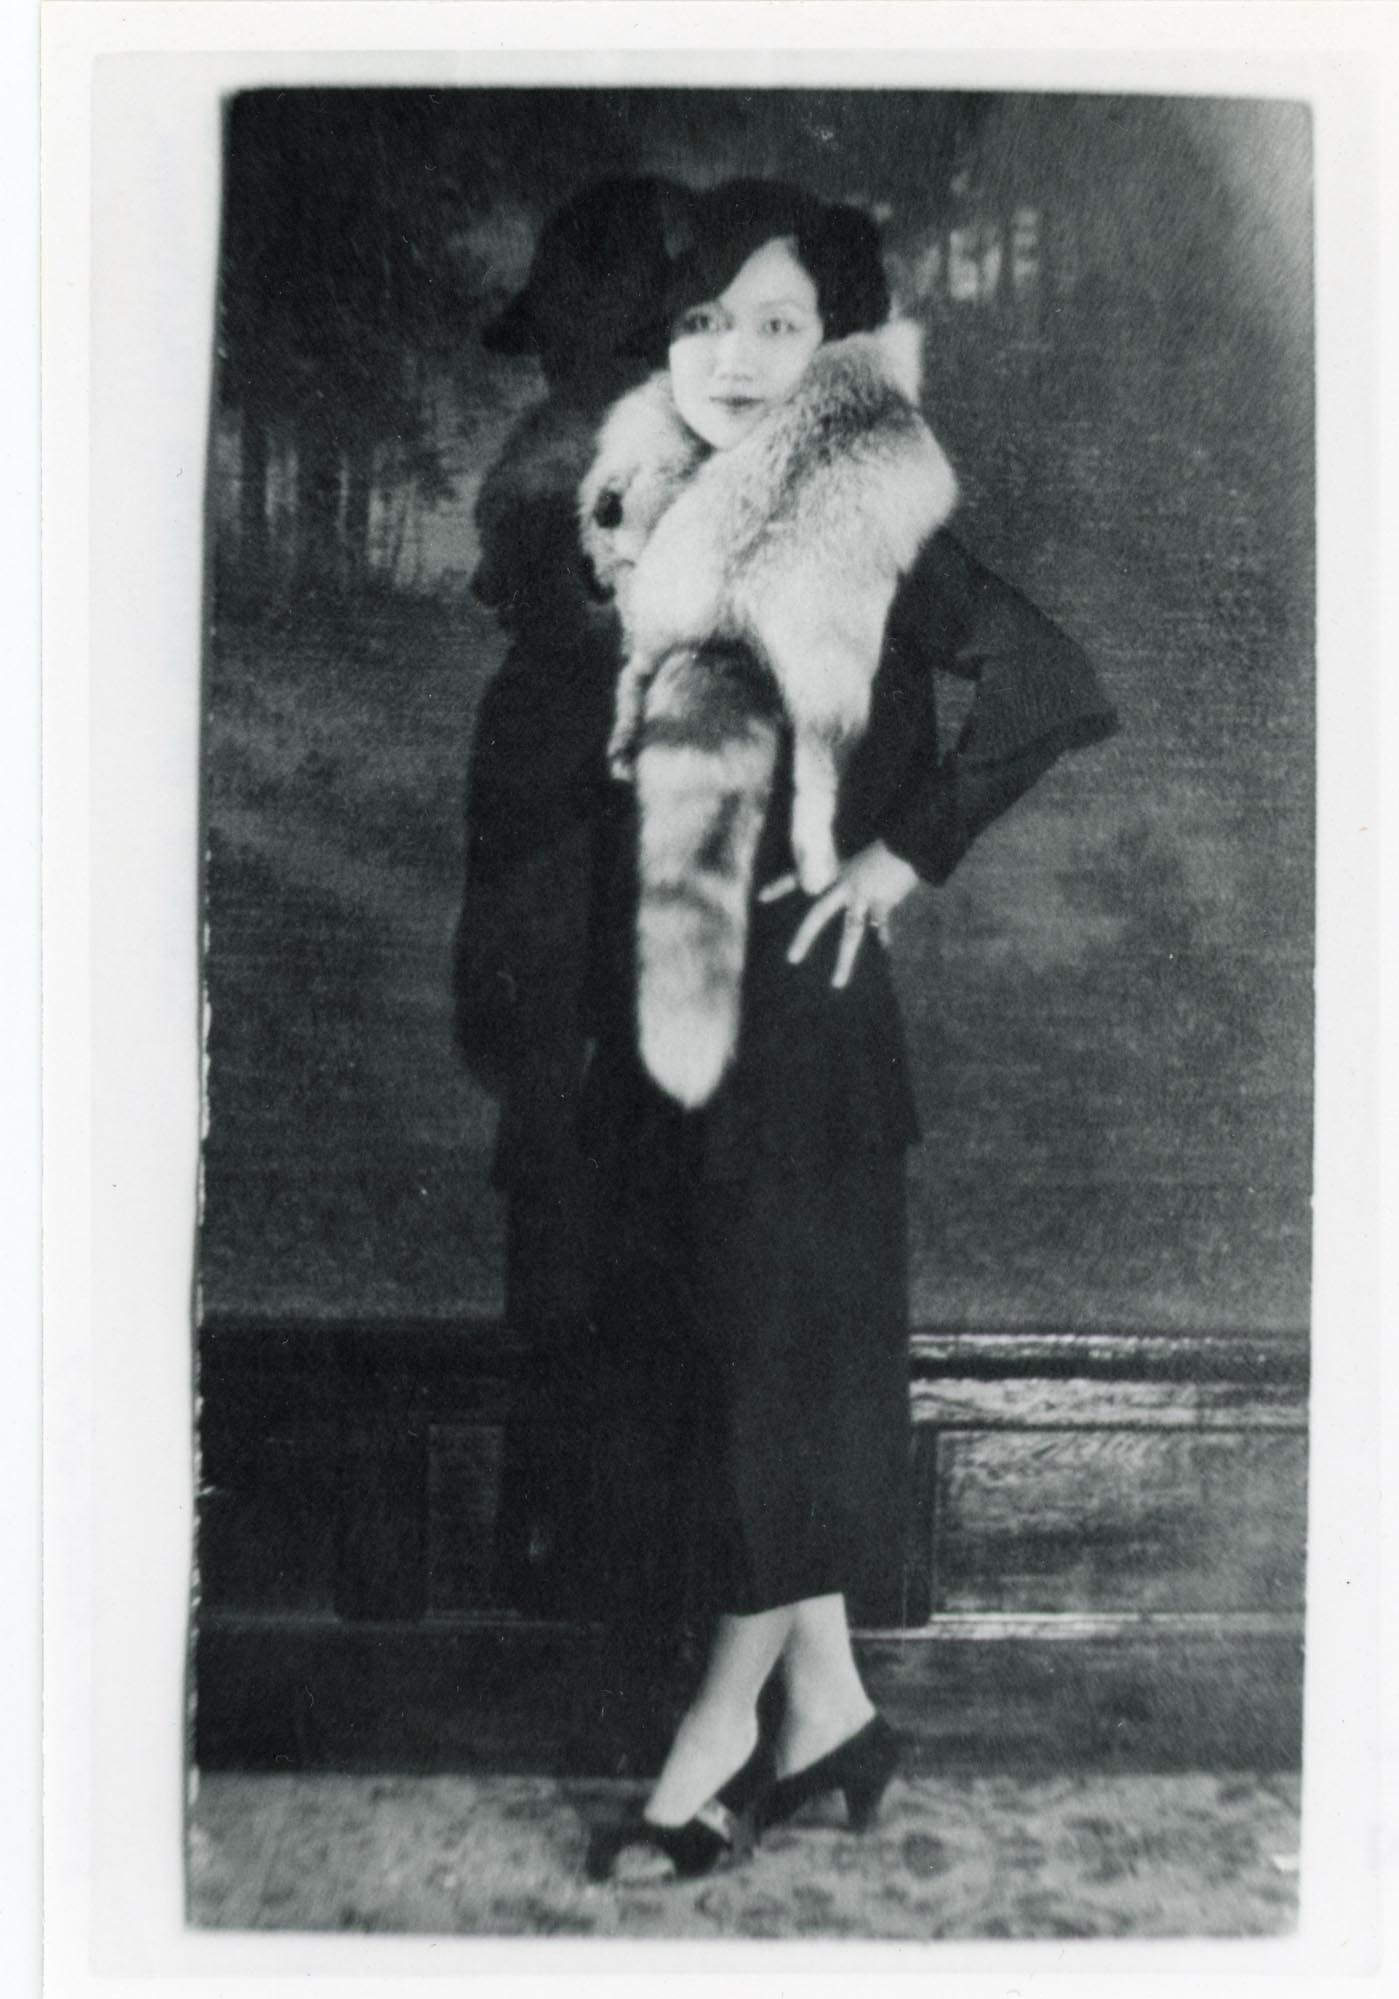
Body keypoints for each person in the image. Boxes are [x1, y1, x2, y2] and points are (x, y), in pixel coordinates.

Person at [575, 179, 1119, 1884]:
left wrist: (903, 856)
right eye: (702, 319)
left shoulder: (863, 510)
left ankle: (713, 1741)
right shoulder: (672, 505)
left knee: (770, 1387)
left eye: (777, 322)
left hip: (802, 1031)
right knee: (759, 1374)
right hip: (686, 1015)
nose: (732, 352)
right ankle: (833, 1717)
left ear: (837, 347)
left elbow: (1048, 679)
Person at [454, 176, 692, 1629]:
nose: (555, 356)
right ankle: (574, 1548)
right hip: (568, 856)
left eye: (572, 327)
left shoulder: (635, 453)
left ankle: (600, 1551)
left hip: (617, 860)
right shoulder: (580, 456)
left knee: (611, 1200)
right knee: (580, 1195)